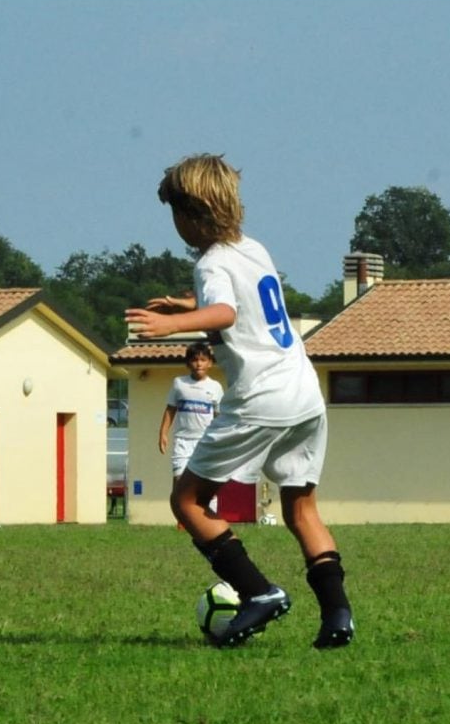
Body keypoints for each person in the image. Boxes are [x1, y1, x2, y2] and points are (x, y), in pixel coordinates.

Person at [125, 152, 354, 650]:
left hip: (261, 397)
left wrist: (172, 325)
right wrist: (189, 305)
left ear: (190, 214)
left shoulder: (209, 262)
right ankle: (338, 616)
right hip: (304, 392)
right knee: (302, 509)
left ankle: (258, 592)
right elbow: (246, 303)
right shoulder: (252, 249)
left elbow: (226, 313)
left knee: (186, 501)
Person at [157, 342, 223, 511]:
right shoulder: (179, 383)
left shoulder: (215, 387)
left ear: (210, 363)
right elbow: (170, 409)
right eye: (194, 360)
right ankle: (182, 517)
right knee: (180, 480)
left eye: (203, 360)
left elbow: (219, 417)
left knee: (208, 482)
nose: (199, 364)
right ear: (188, 363)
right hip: (183, 441)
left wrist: (220, 439)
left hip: (205, 441)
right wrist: (163, 434)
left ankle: (209, 516)